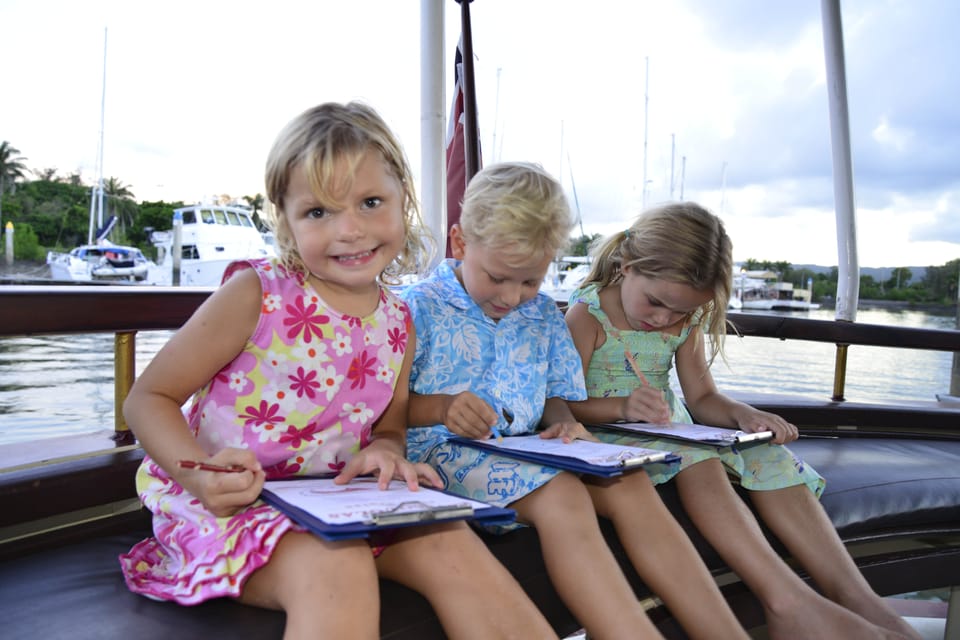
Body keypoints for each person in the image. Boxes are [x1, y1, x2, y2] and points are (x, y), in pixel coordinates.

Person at [119, 102, 558, 640]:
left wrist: (387, 451)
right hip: (230, 506)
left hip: (338, 501)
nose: (350, 230)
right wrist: (198, 474)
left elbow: (391, 424)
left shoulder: (398, 320)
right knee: (337, 564)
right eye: (318, 212)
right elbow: (149, 398)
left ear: (403, 200)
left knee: (451, 539)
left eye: (370, 203)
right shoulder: (257, 294)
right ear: (285, 219)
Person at [403, 162, 749, 640]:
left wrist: (564, 422)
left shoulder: (543, 315)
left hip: (523, 449)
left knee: (628, 481)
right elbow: (382, 411)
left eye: (530, 281)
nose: (513, 296)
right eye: (499, 277)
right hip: (438, 453)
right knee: (562, 496)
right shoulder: (415, 309)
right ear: (460, 244)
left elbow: (553, 396)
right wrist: (441, 408)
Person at [564, 201, 922, 640]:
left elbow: (702, 397)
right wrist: (622, 407)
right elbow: (561, 404)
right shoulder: (589, 315)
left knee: (768, 455)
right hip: (604, 431)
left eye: (678, 312)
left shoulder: (685, 320)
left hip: (667, 427)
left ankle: (860, 600)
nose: (663, 319)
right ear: (627, 267)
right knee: (698, 459)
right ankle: (786, 602)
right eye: (655, 303)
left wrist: (743, 415)